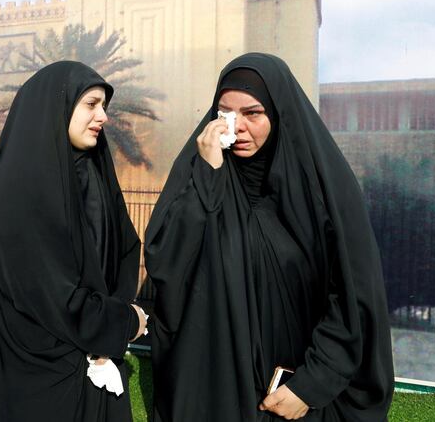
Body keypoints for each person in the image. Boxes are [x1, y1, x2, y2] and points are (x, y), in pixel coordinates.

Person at [144, 53, 394, 421]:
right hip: (216, 391)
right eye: (224, 113)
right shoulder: (202, 179)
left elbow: (354, 295)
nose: (236, 127)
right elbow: (169, 264)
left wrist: (310, 385)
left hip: (293, 397)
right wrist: (208, 180)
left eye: (252, 113)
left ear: (278, 114)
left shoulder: (320, 192)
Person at [0, 61, 147, 421]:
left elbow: (125, 249)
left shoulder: (93, 175)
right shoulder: (21, 190)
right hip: (39, 376)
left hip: (94, 362)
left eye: (104, 106)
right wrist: (122, 321)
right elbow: (47, 292)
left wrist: (113, 311)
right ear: (58, 105)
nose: (103, 116)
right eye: (91, 104)